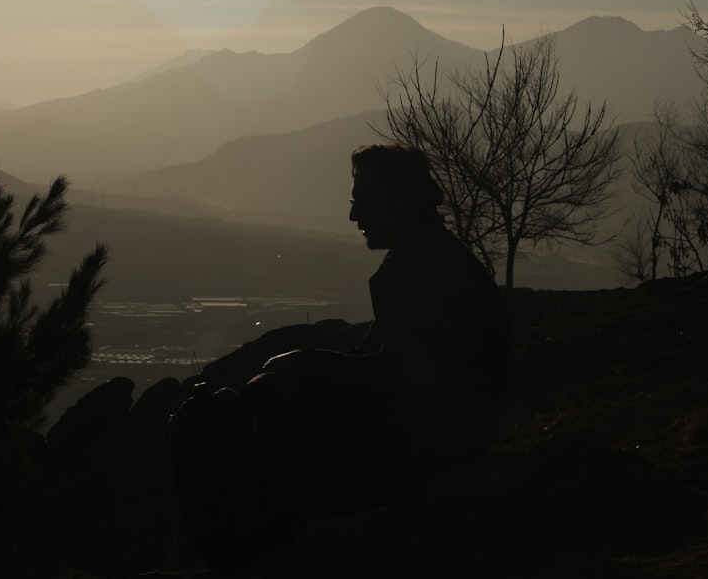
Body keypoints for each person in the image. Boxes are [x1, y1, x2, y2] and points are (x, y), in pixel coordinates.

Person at [169, 144, 511, 572]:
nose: (353, 217)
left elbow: (409, 381)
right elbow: (379, 364)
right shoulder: (421, 262)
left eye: (360, 200)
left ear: (401, 198)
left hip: (433, 447)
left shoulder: (429, 271)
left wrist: (305, 366)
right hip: (434, 437)